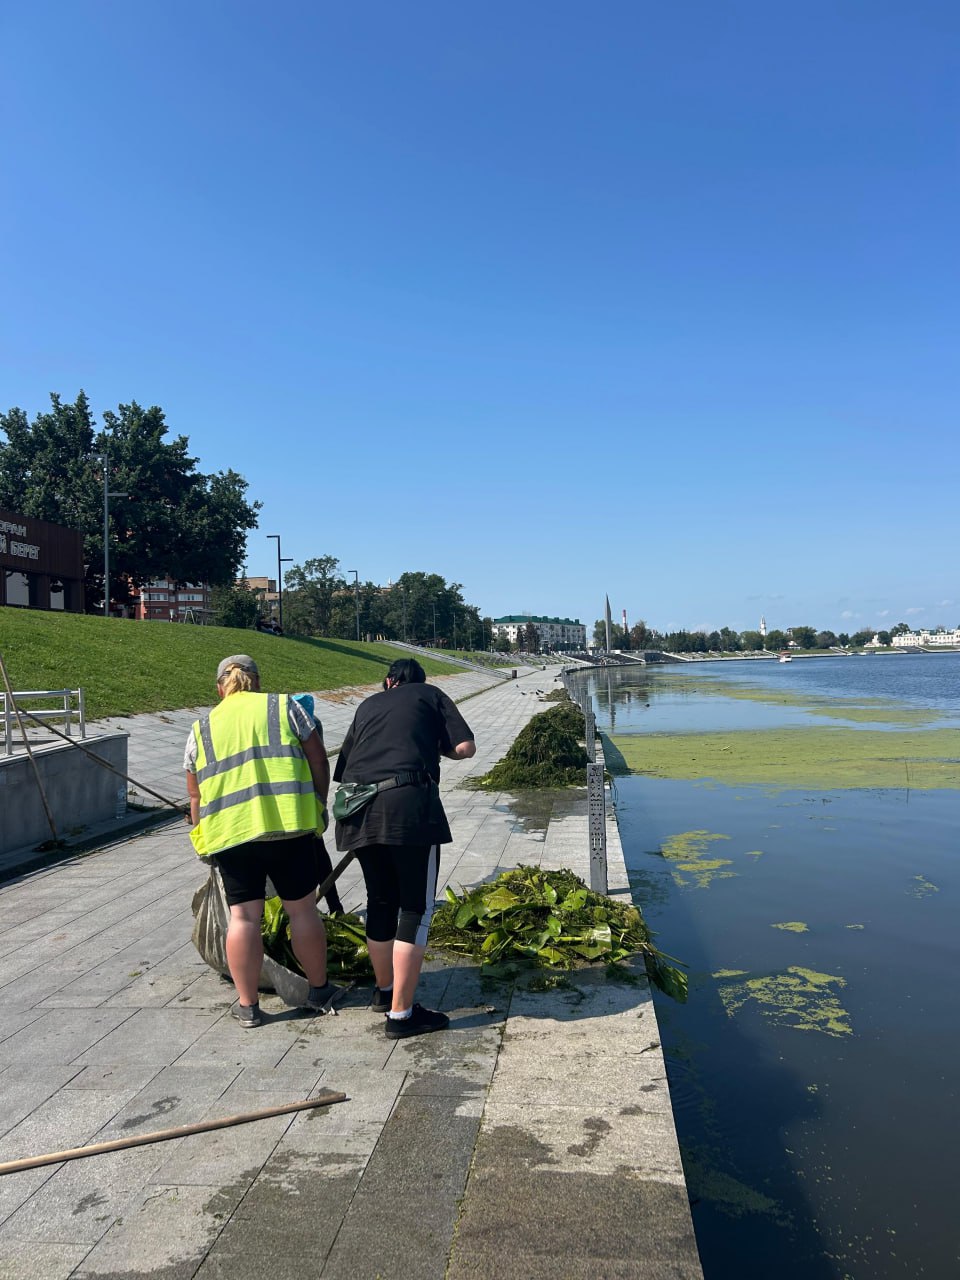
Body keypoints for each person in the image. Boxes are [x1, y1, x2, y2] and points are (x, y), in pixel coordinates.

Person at [184, 654, 339, 1028]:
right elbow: (319, 761)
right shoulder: (285, 708)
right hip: (289, 826)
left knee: (243, 918)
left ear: (220, 688)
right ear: (257, 681)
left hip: (232, 835)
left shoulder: (201, 728)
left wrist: (203, 838)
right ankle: (319, 990)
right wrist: (318, 805)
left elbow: (195, 795)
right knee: (301, 911)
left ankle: (248, 1006)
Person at [333, 657, 476, 1039]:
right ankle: (401, 1015)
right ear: (419, 681)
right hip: (407, 809)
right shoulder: (430, 695)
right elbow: (465, 747)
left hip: (358, 811)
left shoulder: (367, 705)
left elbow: (343, 767)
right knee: (415, 907)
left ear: (388, 681)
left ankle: (384, 991)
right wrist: (435, 746)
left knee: (380, 900)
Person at [292, 693, 344, 915]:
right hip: (307, 804)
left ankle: (325, 908)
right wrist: (320, 803)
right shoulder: (311, 725)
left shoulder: (308, 726)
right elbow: (320, 764)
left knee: (316, 858)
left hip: (299, 805)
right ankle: (334, 906)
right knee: (319, 858)